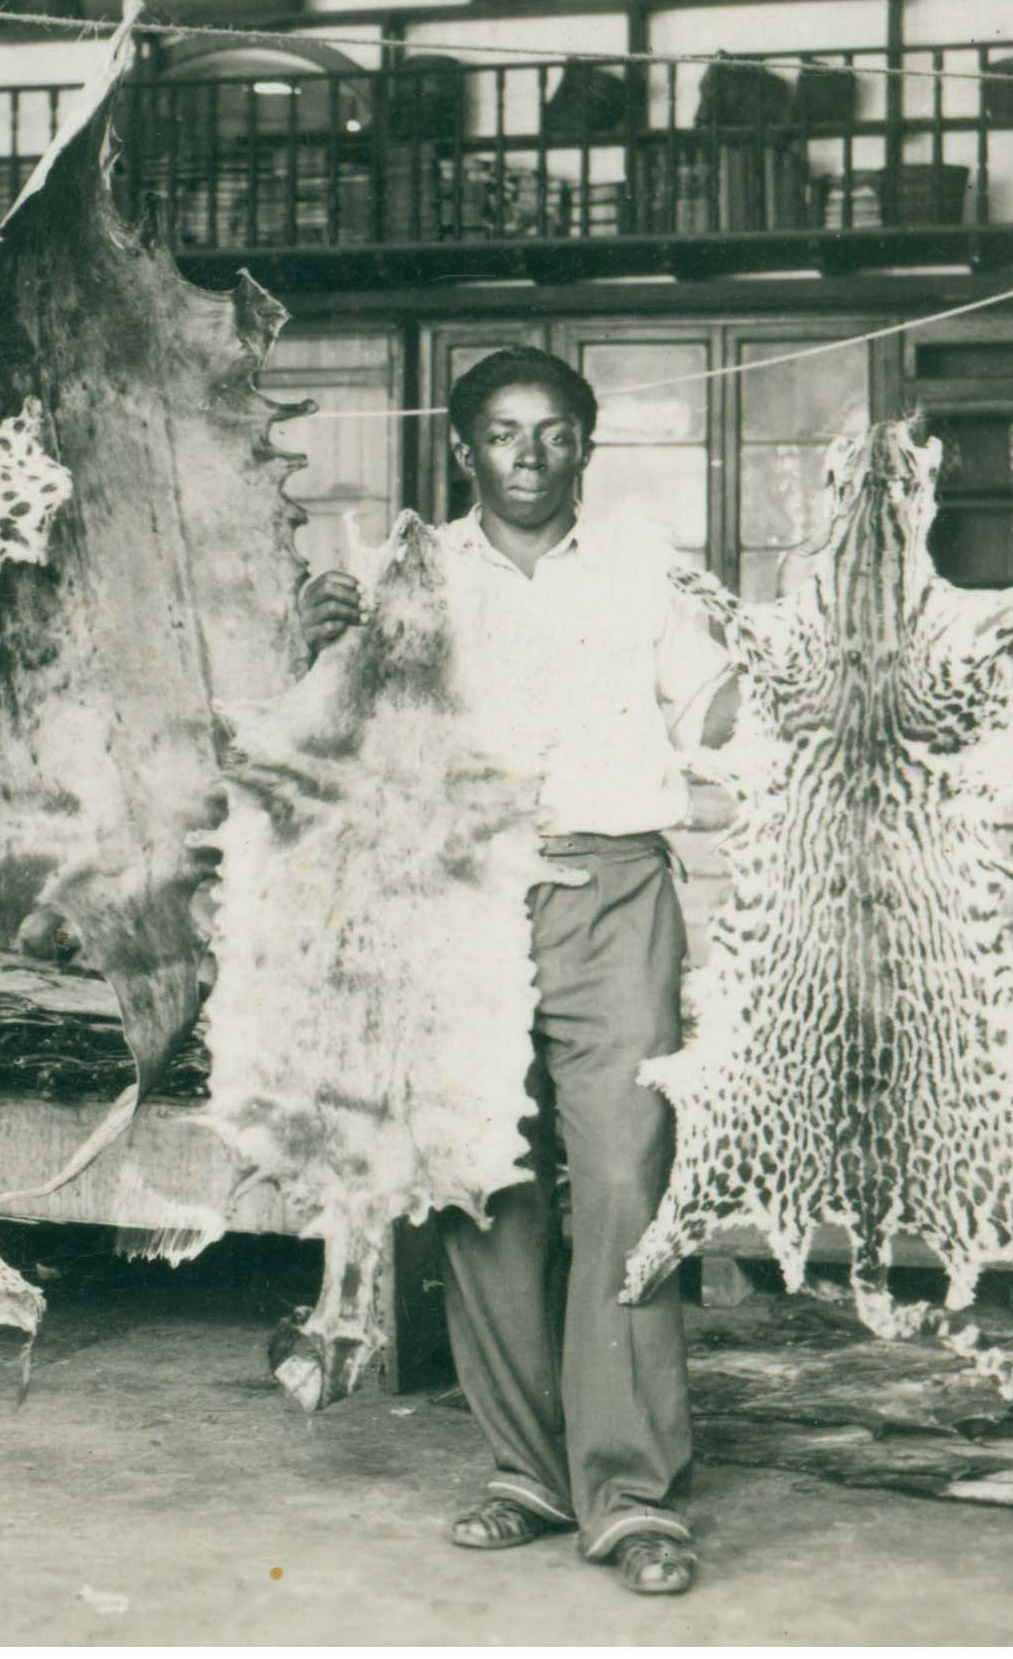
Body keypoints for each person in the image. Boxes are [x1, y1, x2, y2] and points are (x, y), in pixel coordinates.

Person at [296, 346, 734, 1598]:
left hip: (613, 886)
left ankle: (629, 1488)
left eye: (551, 432)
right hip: (459, 891)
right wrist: (319, 641)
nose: (527, 455)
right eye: (501, 432)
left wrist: (781, 658)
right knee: (481, 1176)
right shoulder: (412, 571)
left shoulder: (644, 568)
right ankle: (526, 1468)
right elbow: (339, 741)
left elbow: (710, 713)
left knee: (624, 1175)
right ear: (462, 448)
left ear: (583, 447)